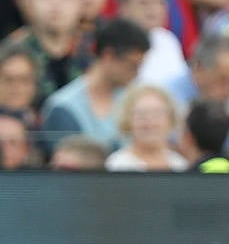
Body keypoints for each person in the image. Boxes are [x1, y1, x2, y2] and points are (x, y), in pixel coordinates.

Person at [39, 17, 149, 155]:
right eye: (132, 66)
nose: (136, 74)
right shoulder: (64, 107)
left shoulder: (134, 100)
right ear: (108, 56)